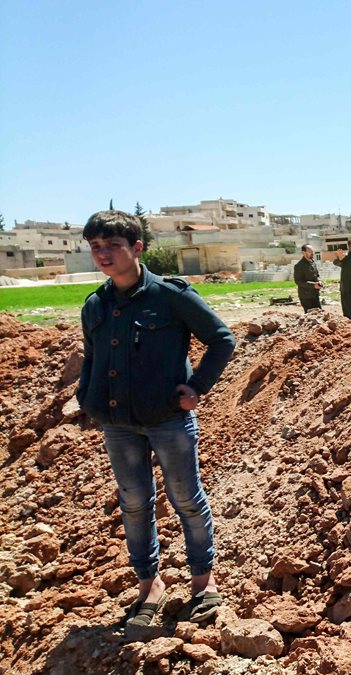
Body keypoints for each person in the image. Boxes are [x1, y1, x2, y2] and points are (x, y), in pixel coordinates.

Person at [76, 210, 236, 630]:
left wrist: (197, 386)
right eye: (96, 247)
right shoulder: (96, 304)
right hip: (119, 424)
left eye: (112, 246)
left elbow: (221, 338)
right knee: (132, 504)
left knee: (186, 498)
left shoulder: (170, 296)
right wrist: (87, 396)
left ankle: (203, 581)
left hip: (167, 419)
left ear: (137, 248)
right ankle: (149, 585)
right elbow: (92, 357)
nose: (103, 254)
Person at [293, 244, 322, 311]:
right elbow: (298, 281)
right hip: (306, 296)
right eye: (310, 251)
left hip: (315, 294)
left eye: (312, 251)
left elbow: (317, 275)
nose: (312, 253)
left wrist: (319, 282)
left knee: (319, 314)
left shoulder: (313, 263)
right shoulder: (299, 266)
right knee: (310, 317)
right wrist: (313, 285)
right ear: (304, 253)